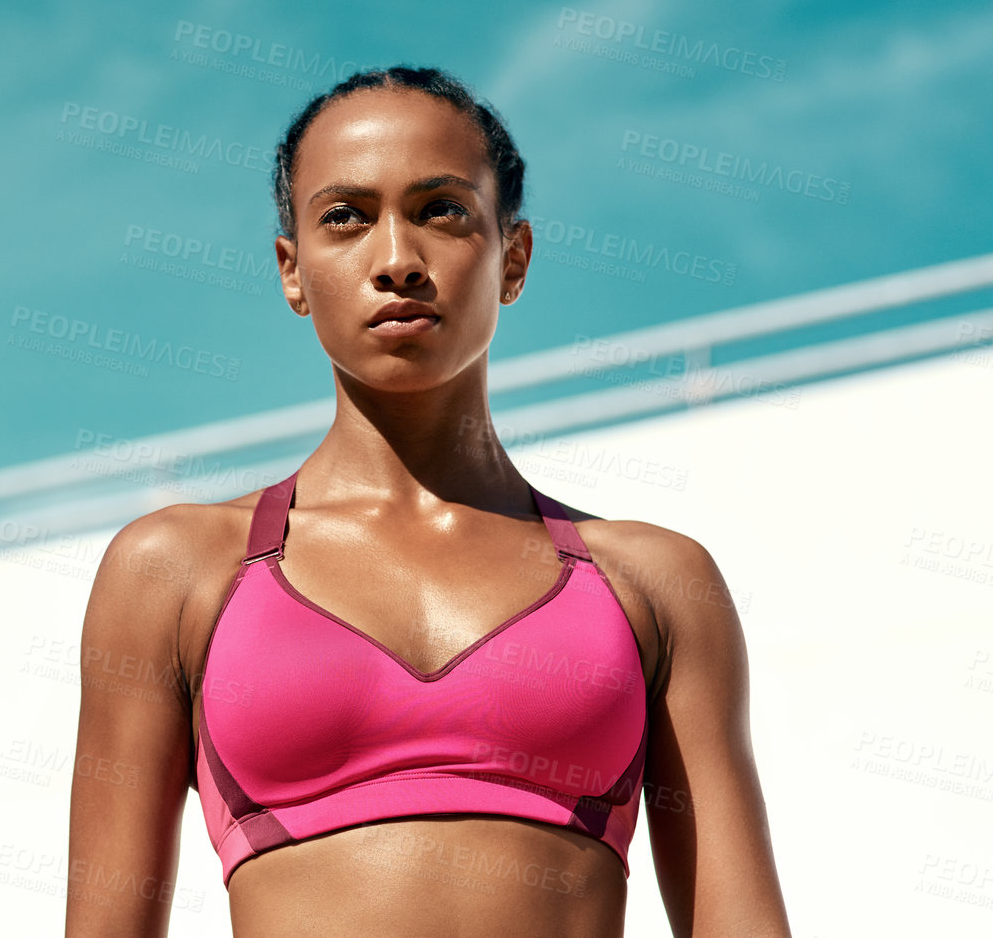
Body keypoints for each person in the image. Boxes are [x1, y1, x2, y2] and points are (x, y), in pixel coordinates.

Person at [64, 66, 791, 937]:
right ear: (292, 272)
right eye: (345, 218)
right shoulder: (174, 572)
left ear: (511, 257)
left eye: (441, 209)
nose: (397, 261)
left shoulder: (657, 583)